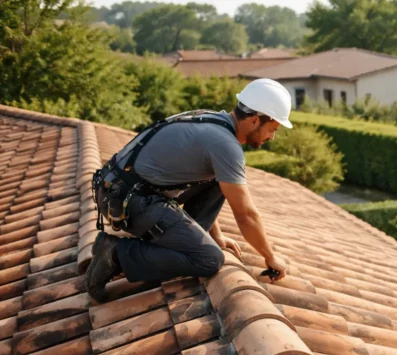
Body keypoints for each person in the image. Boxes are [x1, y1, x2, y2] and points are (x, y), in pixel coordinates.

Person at [86, 78, 292, 302]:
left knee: (219, 180)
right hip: (128, 200)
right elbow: (246, 215)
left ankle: (188, 240)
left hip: (117, 188)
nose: (272, 137)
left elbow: (211, 185)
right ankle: (115, 253)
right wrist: (270, 256)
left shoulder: (214, 120)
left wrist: (217, 235)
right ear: (254, 121)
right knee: (209, 259)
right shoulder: (226, 145)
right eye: (272, 129)